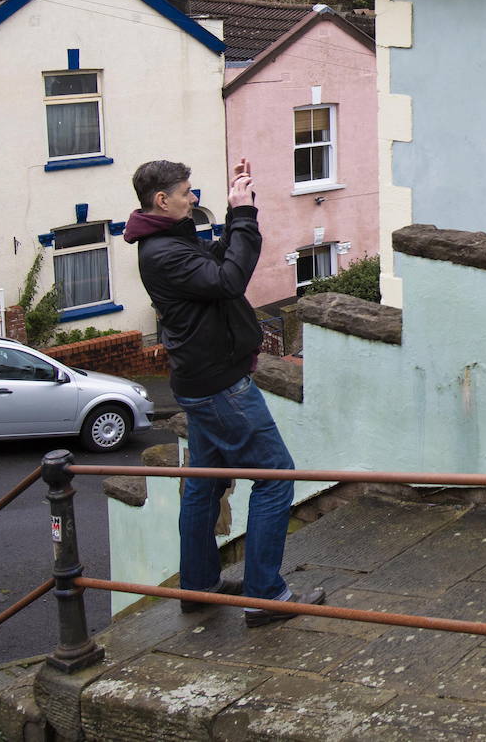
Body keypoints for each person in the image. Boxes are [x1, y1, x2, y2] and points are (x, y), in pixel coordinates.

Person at [125, 158, 324, 627]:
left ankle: (199, 588)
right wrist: (246, 218)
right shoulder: (162, 252)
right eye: (187, 193)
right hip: (219, 386)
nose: (193, 198)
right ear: (162, 200)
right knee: (275, 476)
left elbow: (216, 261)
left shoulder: (168, 239)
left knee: (204, 483)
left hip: (201, 381)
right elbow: (230, 280)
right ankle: (265, 595)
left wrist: (239, 210)